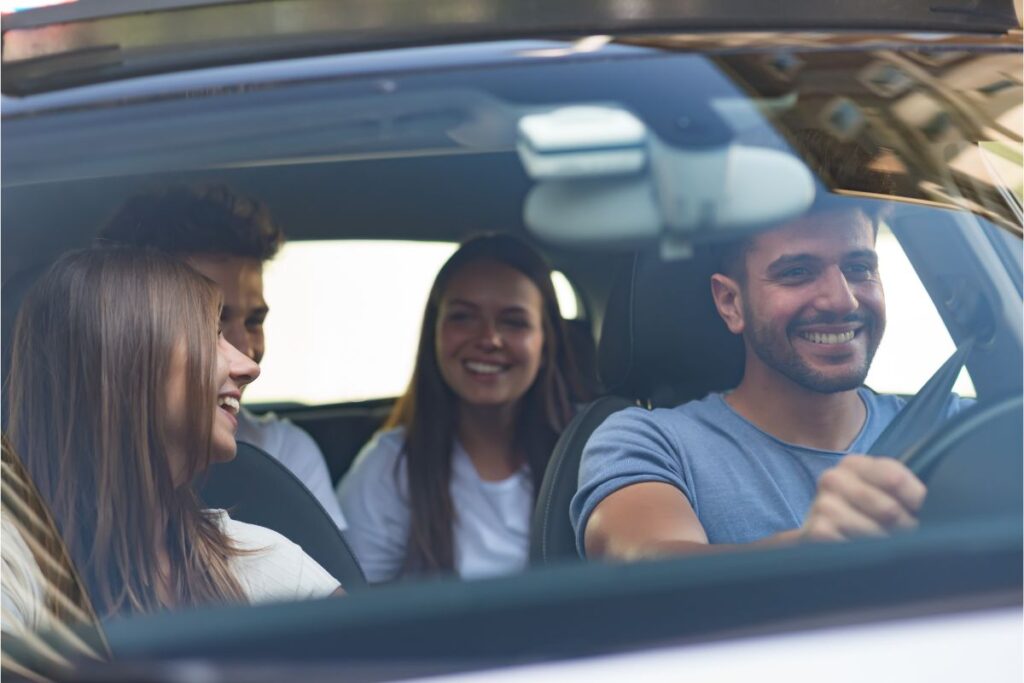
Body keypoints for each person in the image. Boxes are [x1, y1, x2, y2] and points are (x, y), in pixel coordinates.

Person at [572, 202, 968, 561]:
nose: (842, 300)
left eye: (859, 268)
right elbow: (642, 566)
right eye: (797, 273)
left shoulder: (959, 426)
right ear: (731, 303)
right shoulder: (650, 441)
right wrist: (810, 552)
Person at [7, 247, 342, 617]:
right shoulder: (13, 567)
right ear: (128, 364)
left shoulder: (254, 558)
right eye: (211, 335)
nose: (248, 365)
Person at [337, 234, 589, 582]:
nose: (488, 339)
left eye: (513, 322)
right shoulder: (390, 466)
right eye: (463, 318)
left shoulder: (595, 452)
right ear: (434, 334)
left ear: (546, 342)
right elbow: (355, 611)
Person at [98, 185, 346, 530]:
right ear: (135, 326)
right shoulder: (53, 480)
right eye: (213, 322)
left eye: (255, 321)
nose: (248, 353)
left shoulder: (285, 452)